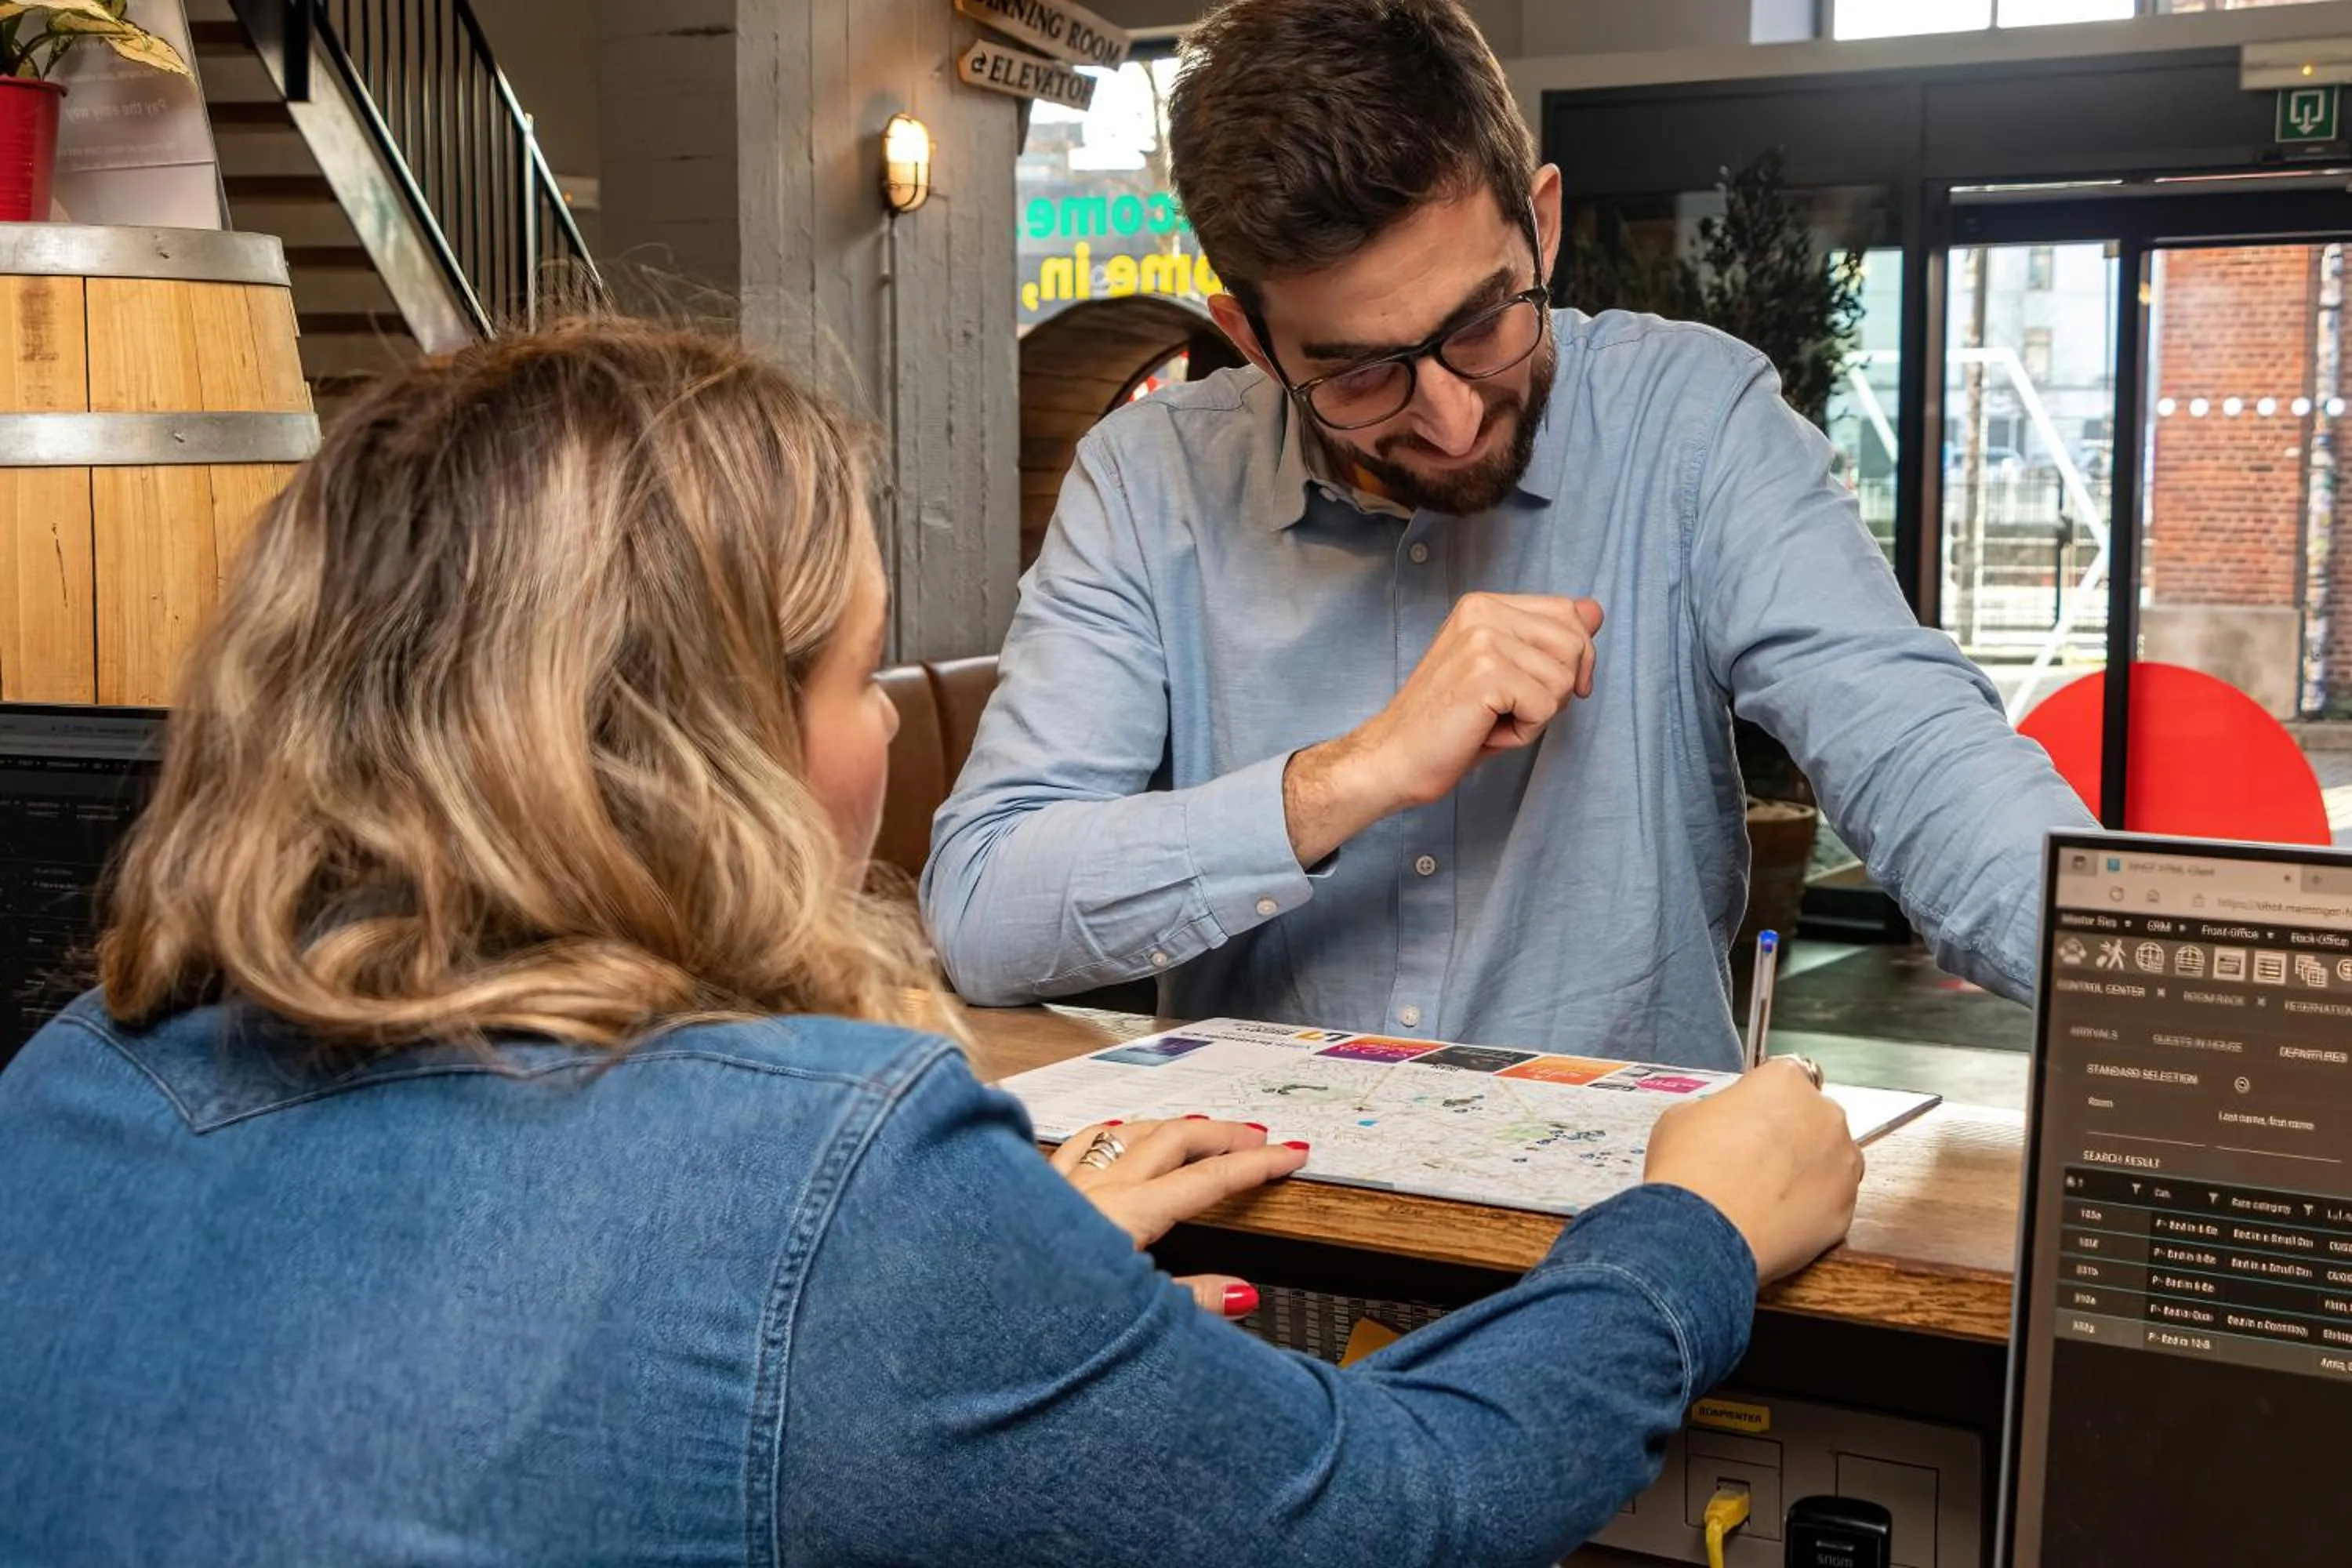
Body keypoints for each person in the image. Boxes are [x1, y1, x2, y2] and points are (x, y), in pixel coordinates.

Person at [0, 321, 1863, 1566]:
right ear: (694, 747)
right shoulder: (842, 1179)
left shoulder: (58, 1089)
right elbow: (1392, 1510)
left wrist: (999, 1275)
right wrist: (1684, 1232)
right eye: (849, 668)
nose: (887, 723)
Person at [923, 0, 2095, 1065]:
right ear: (1254, 334)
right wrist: (1357, 772)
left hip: (1630, 1241)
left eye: (1482, 322)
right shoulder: (1148, 480)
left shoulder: (1691, 425)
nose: (1450, 413)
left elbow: (1922, 754)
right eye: (1361, 372)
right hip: (1272, 1264)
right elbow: (983, 907)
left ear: (1540, 221)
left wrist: (2162, 988)